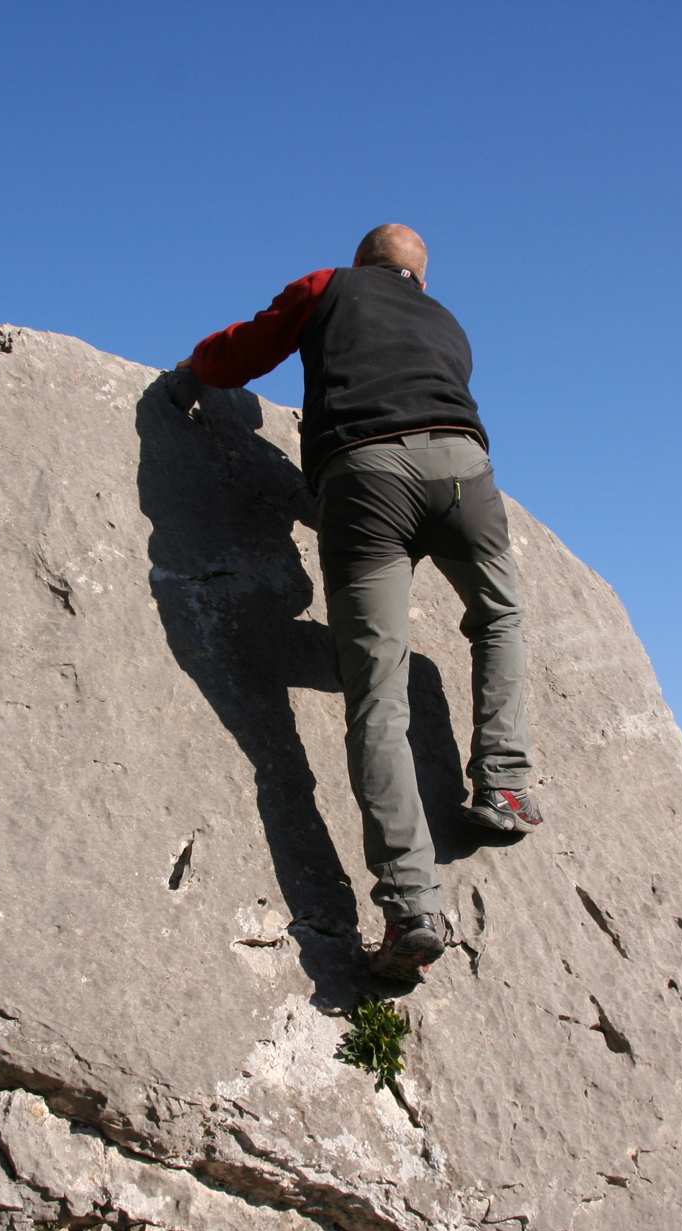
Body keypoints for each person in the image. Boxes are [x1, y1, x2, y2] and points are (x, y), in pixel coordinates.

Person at [177, 224, 542, 982]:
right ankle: (504, 780)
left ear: (361, 265)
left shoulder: (326, 287)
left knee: (377, 694)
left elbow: (245, 351)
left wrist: (193, 373)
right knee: (499, 616)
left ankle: (412, 905)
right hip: (465, 475)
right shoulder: (447, 323)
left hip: (366, 475)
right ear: (422, 280)